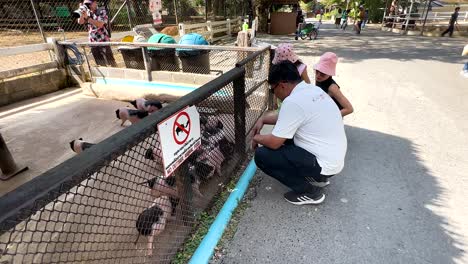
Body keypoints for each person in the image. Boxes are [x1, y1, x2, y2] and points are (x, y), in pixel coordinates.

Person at [251, 61, 347, 205]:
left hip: (322, 164)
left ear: (282, 85)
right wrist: (264, 119)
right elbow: (289, 118)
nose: (274, 94)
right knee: (287, 137)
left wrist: (256, 138)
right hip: (333, 160)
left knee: (262, 155)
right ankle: (317, 178)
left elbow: (274, 142)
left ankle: (309, 191)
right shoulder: (312, 90)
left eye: (273, 90)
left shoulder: (293, 102)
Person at [77, 0, 117, 67]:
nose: (88, 5)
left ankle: (117, 73)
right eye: (86, 4)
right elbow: (80, 22)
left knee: (110, 61)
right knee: (100, 63)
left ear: (95, 3)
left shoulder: (102, 11)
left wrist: (87, 17)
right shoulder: (87, 12)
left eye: (89, 4)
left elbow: (100, 24)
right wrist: (81, 13)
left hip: (103, 40)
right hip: (93, 41)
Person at [272, 43, 311, 109]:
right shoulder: (279, 70)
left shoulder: (301, 68)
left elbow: (307, 84)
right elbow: (276, 86)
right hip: (282, 98)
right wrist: (275, 100)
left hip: (298, 99)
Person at [314, 52, 354, 117]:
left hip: (332, 116)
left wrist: (330, 117)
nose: (318, 75)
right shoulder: (319, 79)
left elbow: (349, 109)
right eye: (317, 71)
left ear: (330, 73)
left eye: (323, 73)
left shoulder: (332, 88)